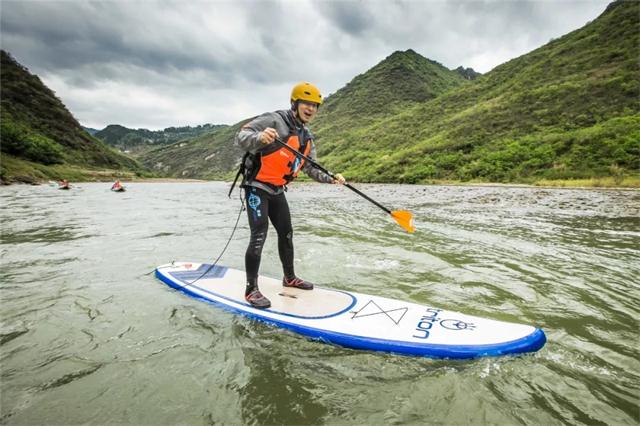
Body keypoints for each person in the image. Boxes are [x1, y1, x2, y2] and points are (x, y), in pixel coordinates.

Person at [234, 82, 346, 309]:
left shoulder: (306, 137)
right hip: (256, 187)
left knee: (286, 234)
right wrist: (260, 138)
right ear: (295, 103)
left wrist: (331, 178)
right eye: (306, 104)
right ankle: (251, 290)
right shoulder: (274, 120)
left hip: (276, 190)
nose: (311, 109)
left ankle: (289, 278)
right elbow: (241, 136)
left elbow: (311, 168)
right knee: (259, 235)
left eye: (315, 105)